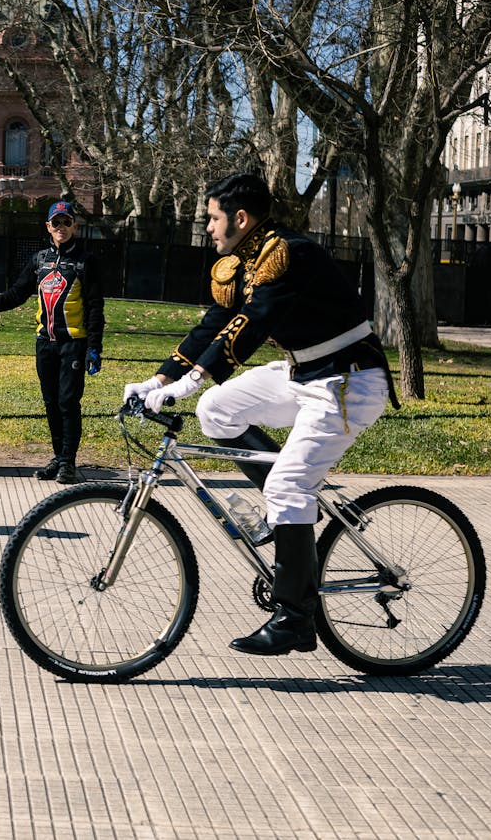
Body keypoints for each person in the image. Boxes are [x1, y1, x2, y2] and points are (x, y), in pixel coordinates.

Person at [123, 172, 397, 656]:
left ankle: (296, 620)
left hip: (348, 380)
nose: (207, 227)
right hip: (304, 373)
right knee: (217, 410)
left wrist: (194, 379)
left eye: (212, 218)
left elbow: (254, 324)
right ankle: (285, 511)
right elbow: (214, 323)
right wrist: (159, 380)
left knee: (287, 486)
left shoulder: (286, 254)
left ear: (240, 218)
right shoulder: (244, 260)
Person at [0, 200, 105, 484]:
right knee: (51, 402)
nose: (61, 227)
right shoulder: (39, 261)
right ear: (48, 227)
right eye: (56, 222)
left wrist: (94, 347)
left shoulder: (86, 261)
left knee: (68, 402)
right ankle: (58, 458)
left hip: (73, 343)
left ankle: (68, 462)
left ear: (75, 225)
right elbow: (15, 295)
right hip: (45, 344)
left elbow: (95, 307)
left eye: (66, 222)